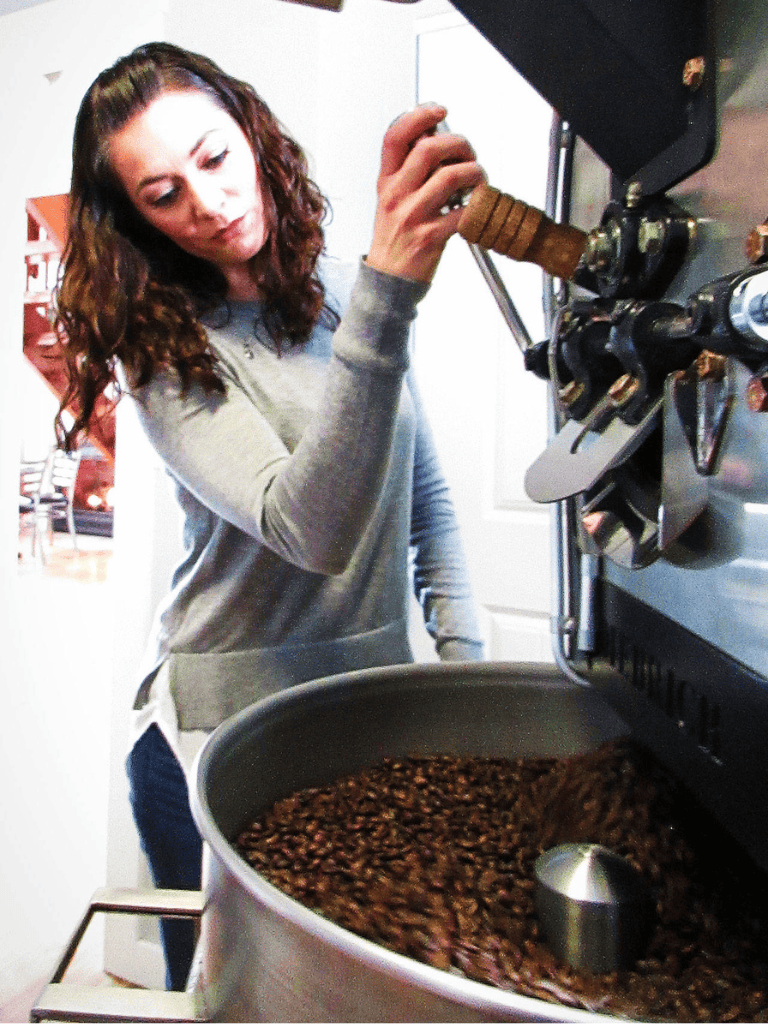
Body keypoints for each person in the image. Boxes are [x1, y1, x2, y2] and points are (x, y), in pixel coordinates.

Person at [54, 41, 486, 990]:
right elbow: (312, 531)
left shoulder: (346, 295)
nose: (206, 204)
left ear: (250, 132)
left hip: (368, 722)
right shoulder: (163, 353)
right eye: (163, 194)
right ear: (135, 219)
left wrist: (471, 693)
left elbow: (428, 506)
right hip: (219, 748)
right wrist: (388, 297)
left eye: (212, 157)